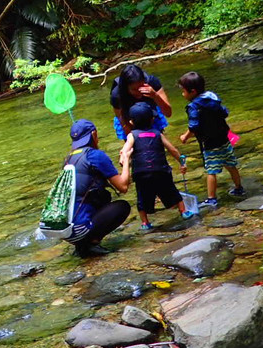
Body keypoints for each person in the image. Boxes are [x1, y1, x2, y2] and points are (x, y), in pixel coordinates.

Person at [62, 118, 132, 255]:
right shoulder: (94, 156)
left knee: (102, 197)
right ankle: (90, 242)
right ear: (94, 135)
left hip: (65, 231)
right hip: (79, 230)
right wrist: (127, 160)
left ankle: (81, 245)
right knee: (122, 206)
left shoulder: (68, 159)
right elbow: (123, 187)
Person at [118, 103, 192, 231]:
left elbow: (124, 150)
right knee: (172, 191)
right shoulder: (157, 133)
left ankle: (145, 223)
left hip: (142, 173)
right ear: (152, 119)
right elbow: (172, 150)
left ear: (131, 122)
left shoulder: (132, 136)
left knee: (142, 197)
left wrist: (123, 160)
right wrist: (182, 163)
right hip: (161, 170)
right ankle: (184, 211)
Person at [178, 71, 245, 208]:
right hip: (224, 139)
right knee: (231, 165)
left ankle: (211, 198)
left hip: (209, 143)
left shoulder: (193, 107)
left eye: (183, 91)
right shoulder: (212, 98)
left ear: (192, 91)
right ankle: (239, 188)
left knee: (211, 171)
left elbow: (194, 126)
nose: (182, 94)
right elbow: (224, 112)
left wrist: (185, 136)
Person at [109, 63, 173, 141]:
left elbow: (168, 113)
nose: (139, 92)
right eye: (134, 89)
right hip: (129, 118)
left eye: (141, 87)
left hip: (150, 114)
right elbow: (124, 123)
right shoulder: (117, 94)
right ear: (126, 88)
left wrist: (155, 96)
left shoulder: (152, 82)